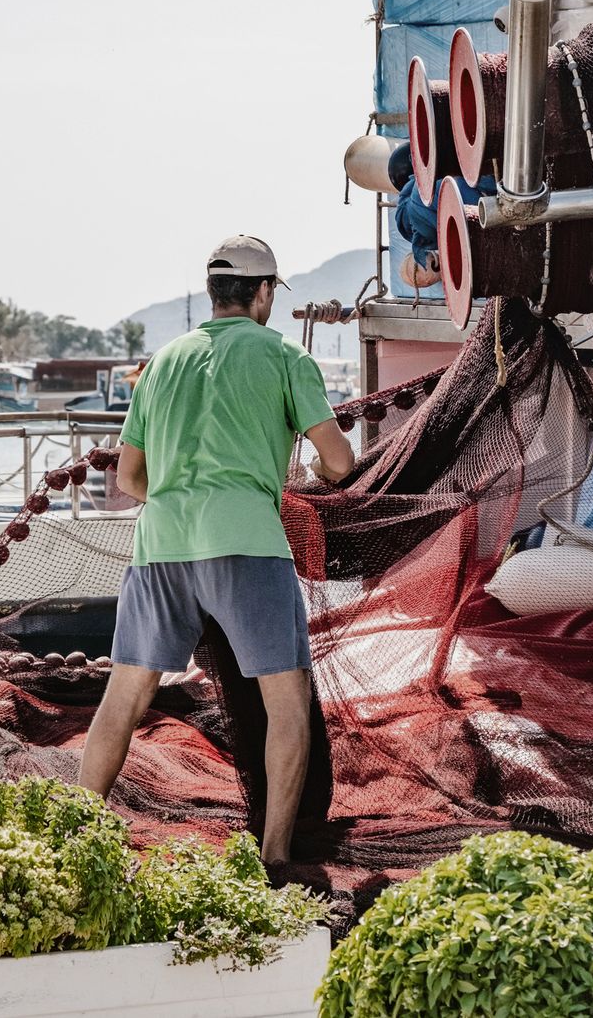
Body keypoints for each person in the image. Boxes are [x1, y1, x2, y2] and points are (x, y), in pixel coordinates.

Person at [78, 236, 355, 864]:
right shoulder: (284, 356)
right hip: (248, 545)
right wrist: (299, 470)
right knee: (286, 705)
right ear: (262, 293)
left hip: (160, 548)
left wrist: (178, 494)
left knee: (124, 695)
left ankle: (76, 834)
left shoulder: (163, 362)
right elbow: (339, 462)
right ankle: (275, 859)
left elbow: (129, 479)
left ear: (212, 293)